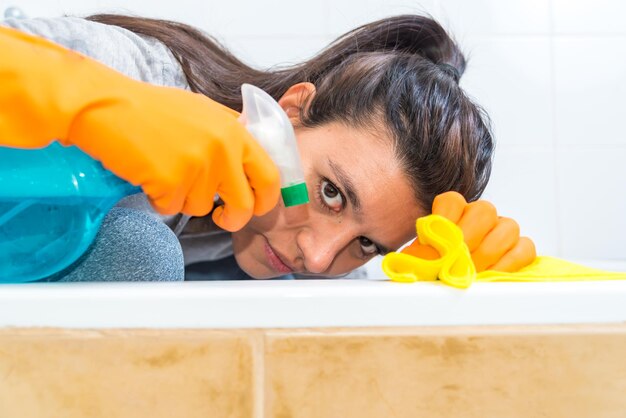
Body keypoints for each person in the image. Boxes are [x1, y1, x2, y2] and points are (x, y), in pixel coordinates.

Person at [0, 13, 535, 282]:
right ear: (293, 111)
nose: (318, 257)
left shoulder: (278, 258)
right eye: (331, 193)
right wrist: (86, 101)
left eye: (367, 243)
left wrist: (442, 288)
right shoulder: (132, 76)